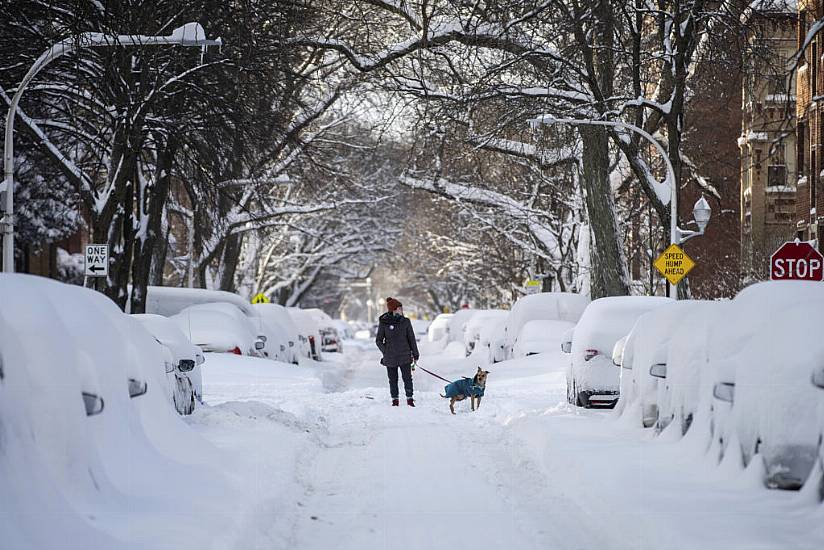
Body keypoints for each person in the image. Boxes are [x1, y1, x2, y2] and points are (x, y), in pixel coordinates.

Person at [375, 297, 419, 406]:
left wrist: (415, 353)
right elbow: (378, 340)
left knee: (407, 378)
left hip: (404, 355)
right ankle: (395, 400)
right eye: (400, 308)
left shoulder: (405, 321)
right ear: (393, 309)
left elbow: (411, 338)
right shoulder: (384, 322)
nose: (401, 310)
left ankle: (410, 399)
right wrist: (386, 351)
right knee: (392, 380)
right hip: (390, 357)